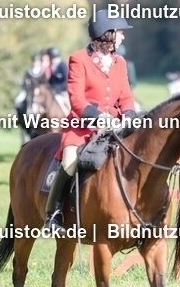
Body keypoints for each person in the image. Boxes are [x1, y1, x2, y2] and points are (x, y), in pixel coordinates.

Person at [43, 12, 135, 232]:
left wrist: (130, 116)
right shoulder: (79, 59)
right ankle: (53, 214)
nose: (122, 37)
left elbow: (126, 96)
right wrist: (97, 117)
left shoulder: (120, 62)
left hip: (114, 126)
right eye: (120, 33)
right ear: (107, 34)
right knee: (69, 162)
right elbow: (76, 99)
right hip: (81, 127)